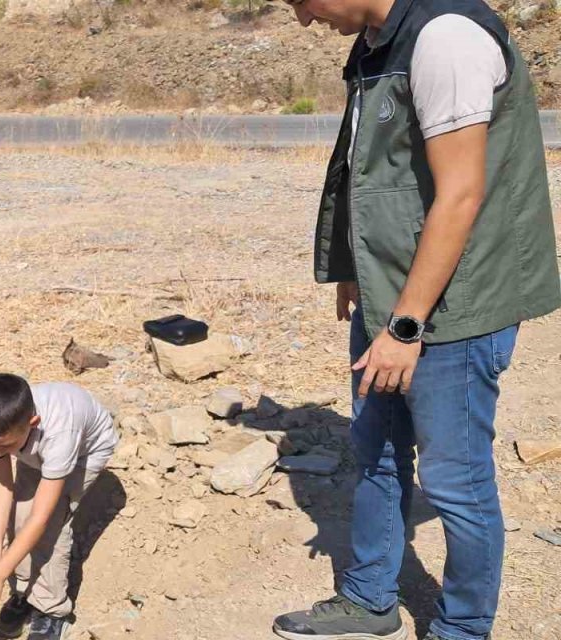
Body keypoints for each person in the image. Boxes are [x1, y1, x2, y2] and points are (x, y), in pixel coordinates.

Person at [270, 2, 560, 640]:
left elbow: (460, 193)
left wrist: (405, 328)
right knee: (375, 452)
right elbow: (385, 171)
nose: (302, 20)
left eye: (300, 2)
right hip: (392, 293)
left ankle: (461, 628)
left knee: (455, 480)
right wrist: (355, 267)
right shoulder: (380, 39)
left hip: (452, 309)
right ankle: (370, 598)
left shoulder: (446, 37)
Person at [0, 374, 120, 640]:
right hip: (31, 447)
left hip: (84, 452)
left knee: (53, 525)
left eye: (3, 445)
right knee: (18, 514)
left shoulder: (60, 434)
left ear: (32, 423)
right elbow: (3, 484)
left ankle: (51, 609)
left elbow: (41, 519)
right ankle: (25, 591)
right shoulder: (6, 425)